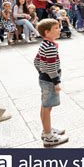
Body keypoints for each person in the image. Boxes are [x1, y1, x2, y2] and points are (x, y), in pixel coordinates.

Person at [34, 19, 68, 147]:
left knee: (45, 105)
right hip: (50, 80)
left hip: (44, 78)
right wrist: (56, 82)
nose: (59, 30)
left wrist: (41, 72)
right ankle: (48, 136)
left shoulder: (45, 44)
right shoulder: (50, 48)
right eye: (56, 28)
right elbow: (52, 68)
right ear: (47, 32)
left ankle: (46, 129)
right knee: (48, 107)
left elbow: (36, 61)